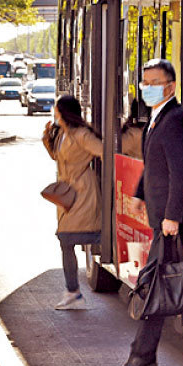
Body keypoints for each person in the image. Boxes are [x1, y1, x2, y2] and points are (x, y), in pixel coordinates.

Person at [114, 59, 183, 366]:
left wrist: (172, 217)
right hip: (160, 217)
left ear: (171, 86)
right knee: (165, 281)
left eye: (154, 82)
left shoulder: (175, 119)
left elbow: (180, 174)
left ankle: (142, 355)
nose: (146, 88)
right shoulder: (156, 118)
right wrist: (138, 194)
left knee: (156, 286)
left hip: (170, 221)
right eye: (144, 82)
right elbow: (154, 165)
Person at [41, 95, 104, 310]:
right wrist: (47, 139)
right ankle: (73, 292)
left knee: (68, 238)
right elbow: (58, 158)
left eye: (56, 109)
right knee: (65, 240)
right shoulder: (63, 134)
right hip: (67, 194)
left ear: (64, 111)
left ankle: (73, 292)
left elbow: (104, 151)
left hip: (83, 193)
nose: (53, 112)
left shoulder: (81, 135)